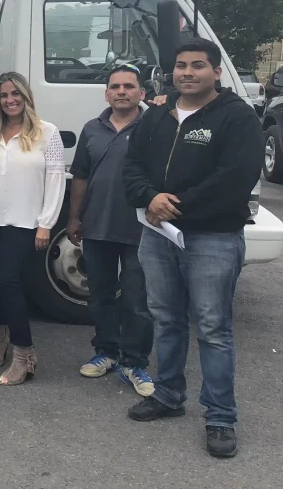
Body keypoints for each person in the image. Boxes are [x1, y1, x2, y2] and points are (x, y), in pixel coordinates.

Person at [123, 39, 262, 459]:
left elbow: (236, 177)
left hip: (213, 238)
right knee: (166, 319)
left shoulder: (236, 117)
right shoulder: (156, 117)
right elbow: (132, 167)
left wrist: (173, 206)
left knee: (213, 328)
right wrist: (149, 197)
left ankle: (220, 416)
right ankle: (167, 395)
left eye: (198, 66)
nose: (187, 72)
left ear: (216, 72)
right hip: (159, 236)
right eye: (181, 65)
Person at [0, 72, 64, 385]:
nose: (10, 100)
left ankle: (25, 353)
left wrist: (46, 223)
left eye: (16, 94)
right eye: (4, 95)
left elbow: (55, 179)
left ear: (26, 97)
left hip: (23, 222)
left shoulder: (46, 132)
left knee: (8, 281)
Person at [67, 65, 154, 395]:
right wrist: (74, 218)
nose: (122, 91)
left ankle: (135, 363)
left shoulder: (154, 127)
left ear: (141, 93)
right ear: (106, 93)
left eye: (129, 86)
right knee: (100, 296)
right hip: (97, 227)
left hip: (141, 230)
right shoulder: (92, 129)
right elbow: (80, 177)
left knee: (136, 301)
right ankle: (106, 351)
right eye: (115, 86)